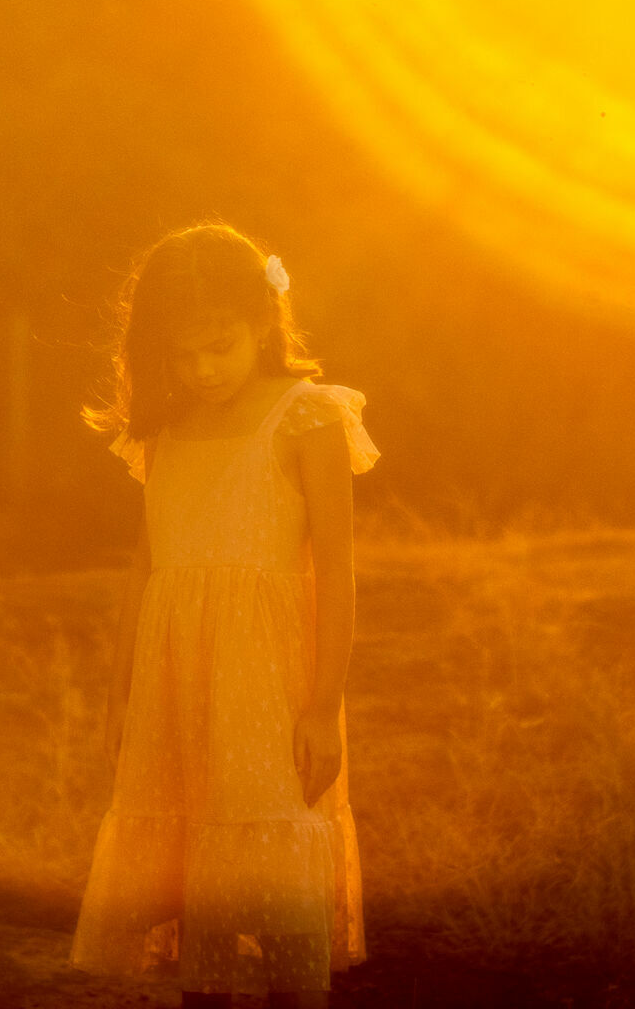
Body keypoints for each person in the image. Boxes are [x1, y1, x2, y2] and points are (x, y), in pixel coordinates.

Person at [71, 222, 375, 1008]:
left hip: (269, 690)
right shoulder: (165, 432)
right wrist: (121, 694)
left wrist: (324, 706)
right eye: (184, 354)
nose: (203, 369)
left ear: (263, 322)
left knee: (278, 884)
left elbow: (337, 572)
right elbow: (147, 571)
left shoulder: (307, 418)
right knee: (197, 882)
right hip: (178, 691)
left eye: (220, 346)